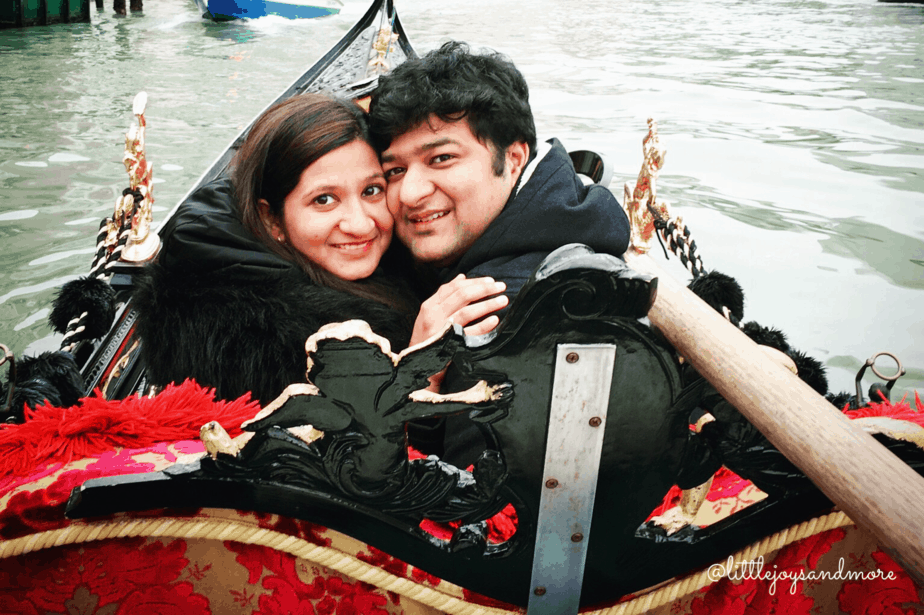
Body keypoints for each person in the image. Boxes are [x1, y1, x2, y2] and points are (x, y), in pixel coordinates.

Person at [134, 94, 505, 404]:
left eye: (372, 190)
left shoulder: (390, 261)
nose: (360, 224)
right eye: (324, 200)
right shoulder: (257, 347)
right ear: (272, 220)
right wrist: (419, 371)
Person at [368, 42, 632, 462]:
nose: (410, 194)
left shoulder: (494, 318)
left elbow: (467, 508)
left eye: (441, 158)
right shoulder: (572, 222)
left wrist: (417, 382)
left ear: (513, 158)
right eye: (395, 170)